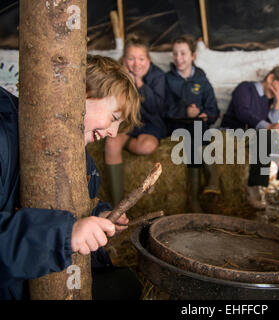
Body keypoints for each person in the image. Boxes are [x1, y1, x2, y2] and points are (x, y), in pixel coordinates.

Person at [0, 55, 141, 300]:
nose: (113, 132)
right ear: (82, 91)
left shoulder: (82, 160)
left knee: (127, 284)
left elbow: (74, 206)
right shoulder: (3, 139)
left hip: (54, 273)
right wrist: (65, 234)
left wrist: (98, 217)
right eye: (115, 118)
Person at [104, 35, 166, 207]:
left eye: (141, 59)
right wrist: (124, 81)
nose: (136, 64)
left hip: (150, 122)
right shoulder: (117, 74)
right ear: (124, 59)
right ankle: (118, 205)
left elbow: (157, 108)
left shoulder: (158, 76)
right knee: (111, 143)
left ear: (148, 59)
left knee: (146, 146)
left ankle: (128, 143)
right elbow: (112, 105)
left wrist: (138, 83)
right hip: (127, 122)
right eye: (131, 58)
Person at [221, 66, 279, 209]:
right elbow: (242, 113)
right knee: (266, 133)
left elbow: (270, 123)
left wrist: (278, 102)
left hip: (250, 136)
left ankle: (255, 184)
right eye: (275, 91)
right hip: (231, 132)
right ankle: (252, 187)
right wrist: (269, 126)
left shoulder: (268, 100)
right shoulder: (245, 88)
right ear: (270, 78)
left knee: (268, 137)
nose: (275, 94)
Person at [165, 35, 220, 213]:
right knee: (192, 135)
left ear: (193, 56)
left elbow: (213, 108)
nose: (178, 58)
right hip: (177, 126)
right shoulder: (168, 79)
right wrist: (185, 112)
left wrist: (206, 115)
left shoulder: (201, 79)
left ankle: (202, 190)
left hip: (198, 127)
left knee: (197, 133)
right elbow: (165, 108)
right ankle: (204, 186)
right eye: (175, 54)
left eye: (183, 53)